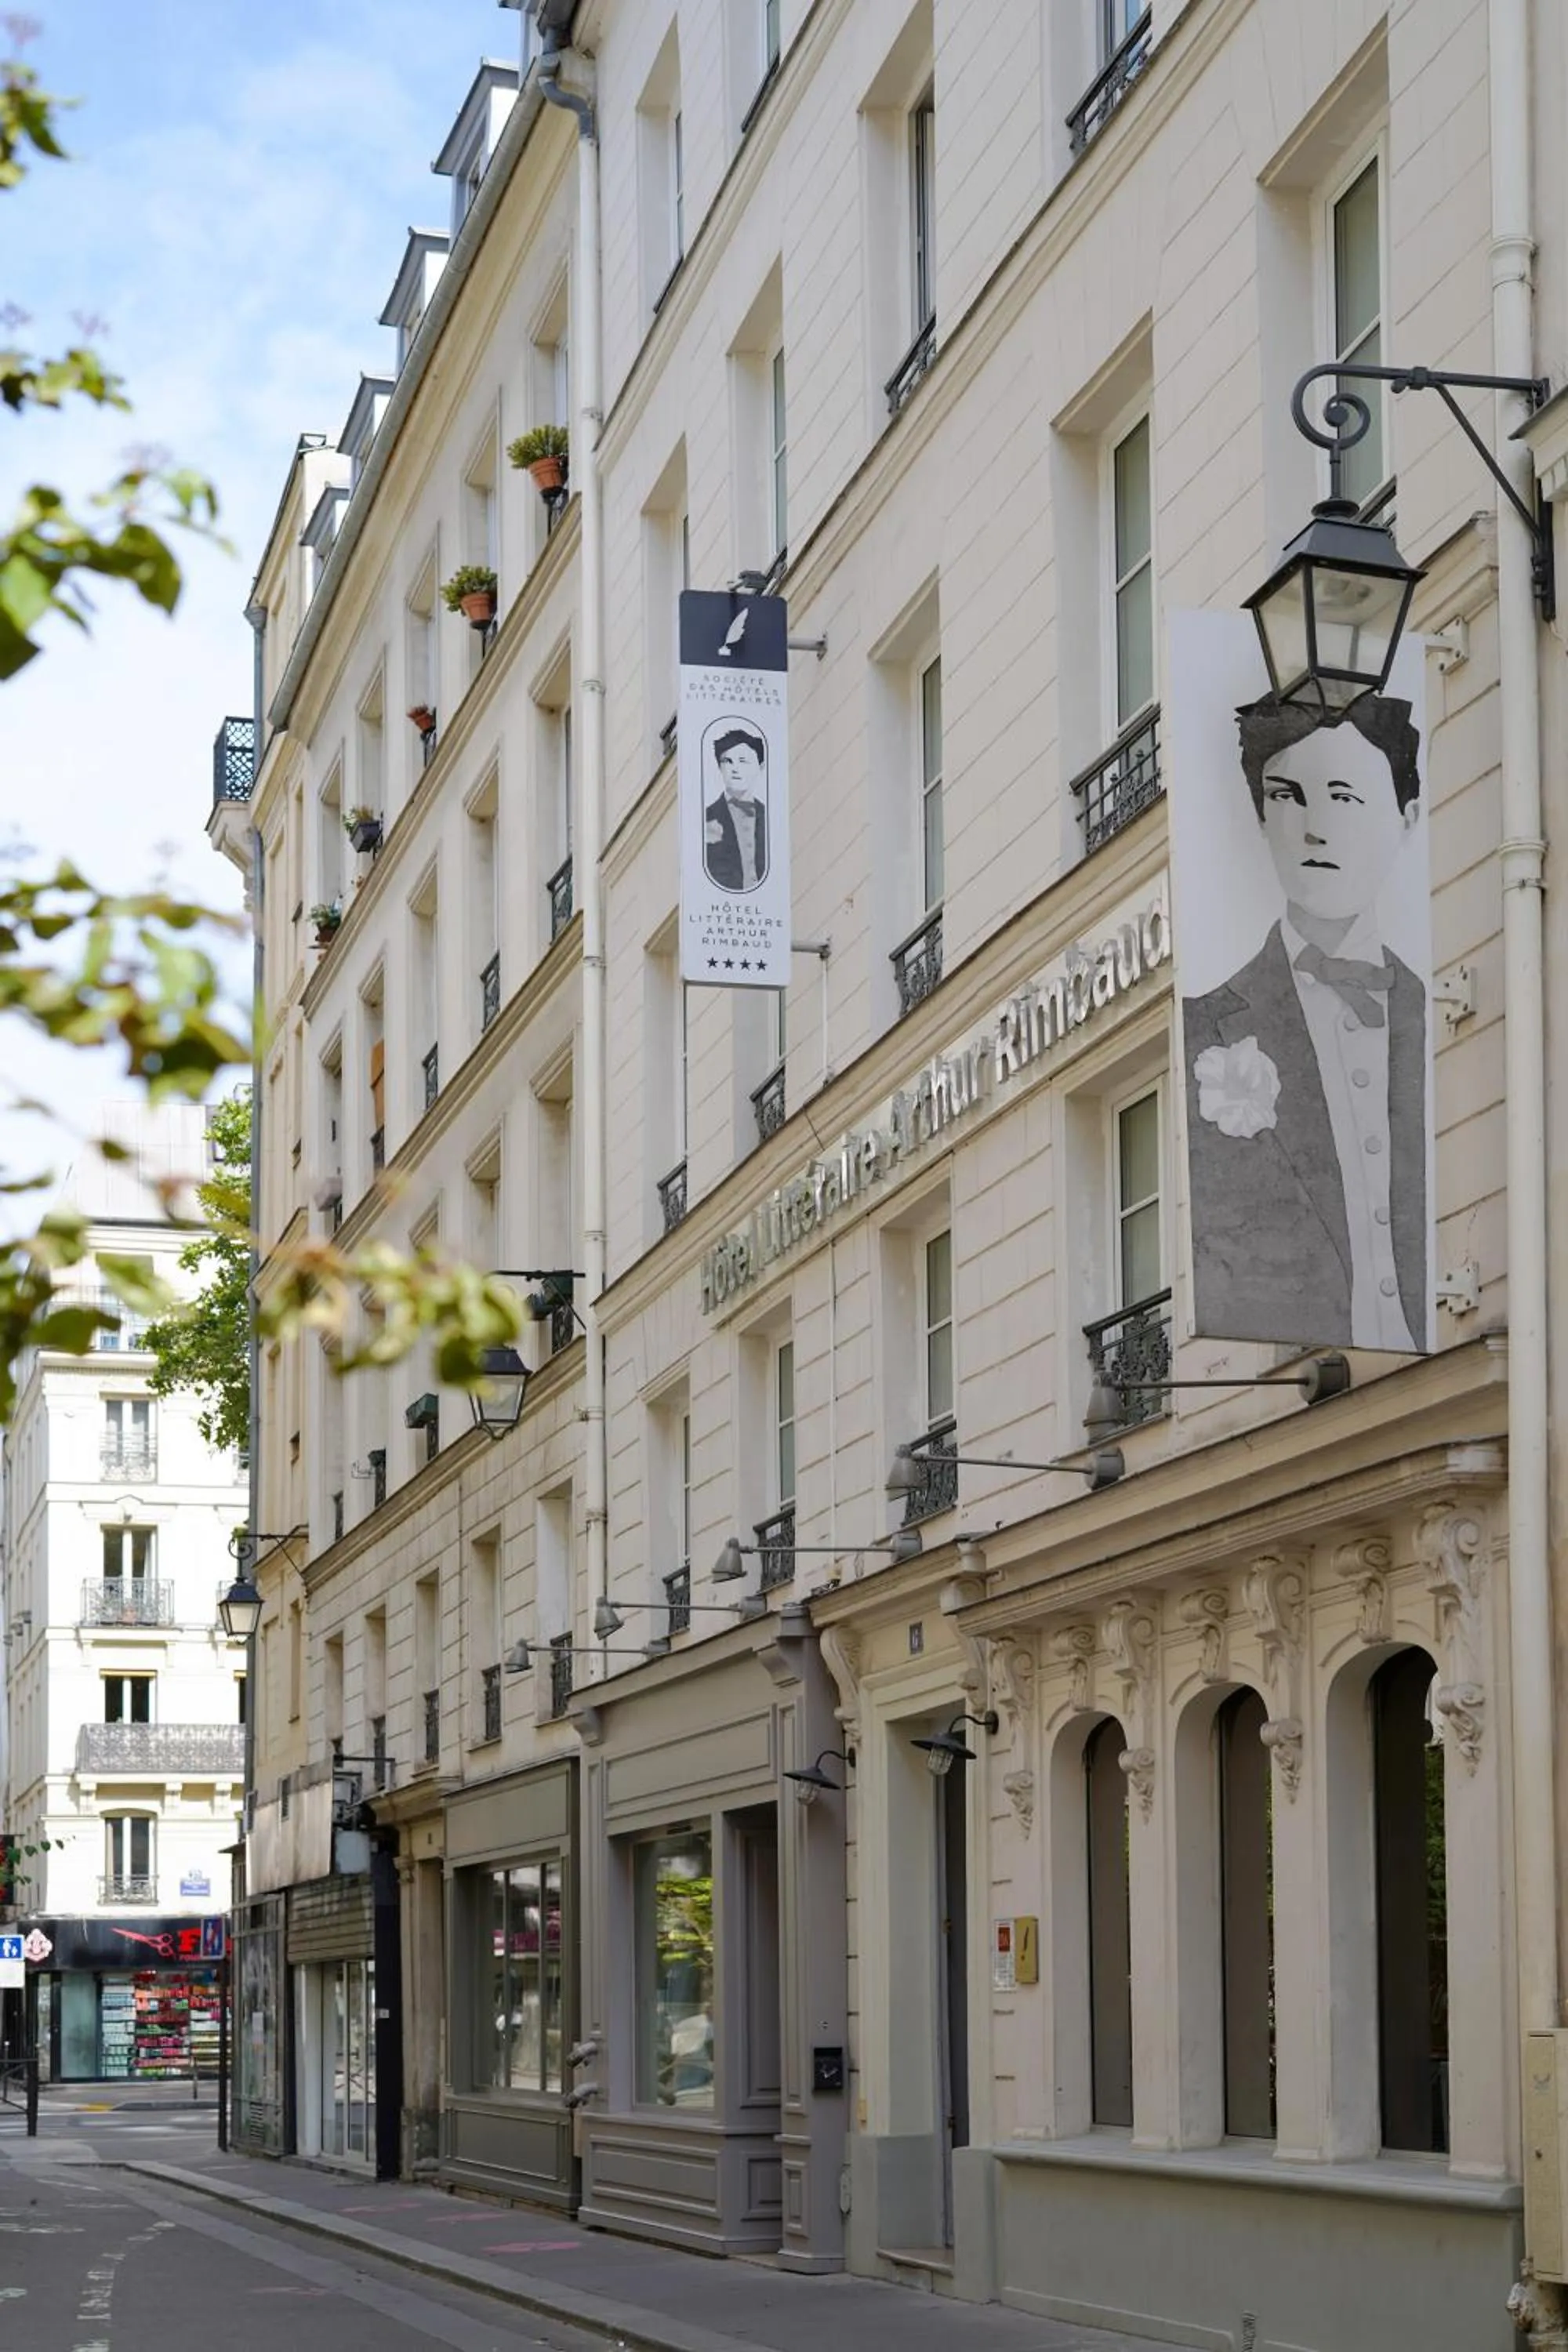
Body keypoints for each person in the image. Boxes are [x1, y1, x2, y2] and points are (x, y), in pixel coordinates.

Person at [1183, 690, 1427, 1352]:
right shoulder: (1203, 1030)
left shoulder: (1442, 1009)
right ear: (1260, 818)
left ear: (1407, 817)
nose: (1314, 828)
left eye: (1344, 797)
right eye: (1287, 796)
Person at [703, 725, 769, 891]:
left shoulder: (771, 817)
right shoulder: (706, 817)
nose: (735, 769)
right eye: (728, 761)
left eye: (743, 761)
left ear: (760, 766)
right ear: (720, 767)